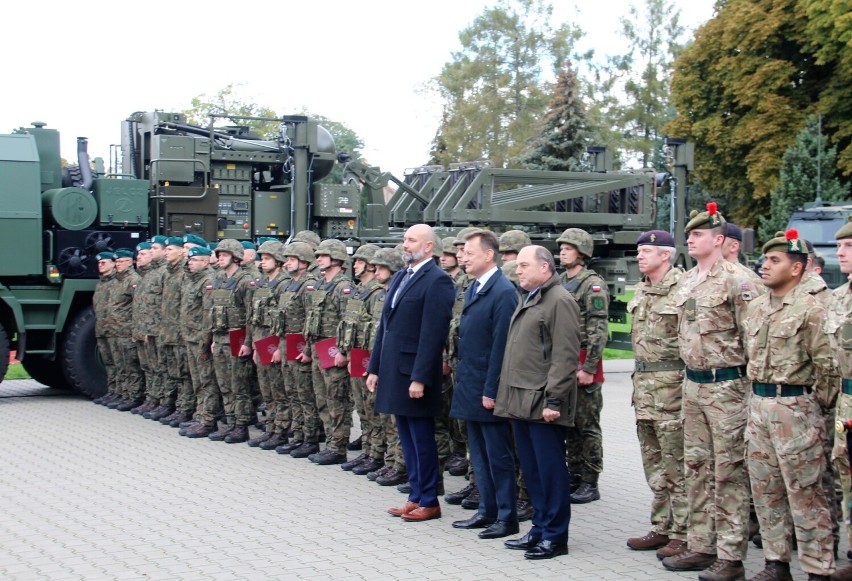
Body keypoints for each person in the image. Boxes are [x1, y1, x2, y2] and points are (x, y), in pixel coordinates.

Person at [664, 203, 764, 580]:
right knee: (697, 467)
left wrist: (749, 392)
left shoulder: (740, 280)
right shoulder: (688, 280)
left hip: (728, 387)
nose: (690, 238)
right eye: (689, 234)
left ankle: (731, 556)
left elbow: (753, 340)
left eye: (699, 234)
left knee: (729, 472)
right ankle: (701, 544)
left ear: (720, 240)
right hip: (694, 385)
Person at [744, 229, 836, 581]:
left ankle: (817, 570)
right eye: (765, 259)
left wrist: (814, 409)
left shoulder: (811, 309)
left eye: (774, 260)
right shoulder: (756, 307)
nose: (764, 266)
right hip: (759, 406)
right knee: (765, 492)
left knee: (806, 496)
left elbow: (827, 367)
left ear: (796, 269)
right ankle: (775, 563)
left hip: (795, 407)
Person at [495, 245, 579, 560]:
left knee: (551, 472)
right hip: (521, 400)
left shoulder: (560, 300)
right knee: (532, 472)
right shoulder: (530, 297)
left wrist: (554, 399)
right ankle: (540, 529)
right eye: (518, 266)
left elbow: (565, 356)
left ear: (545, 267)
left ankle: (556, 537)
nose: (519, 270)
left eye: (524, 265)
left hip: (544, 402)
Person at [367, 224, 454, 522]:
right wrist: (374, 367)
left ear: (429, 246)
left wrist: (420, 377)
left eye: (412, 240)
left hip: (414, 373)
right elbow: (385, 326)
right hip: (394, 370)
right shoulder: (403, 276)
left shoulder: (438, 281)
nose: (405, 244)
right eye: (404, 239)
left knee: (421, 438)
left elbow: (433, 335)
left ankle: (429, 500)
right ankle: (415, 495)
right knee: (406, 437)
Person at [450, 229, 519, 539]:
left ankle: (507, 516)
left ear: (489, 255)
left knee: (498, 456)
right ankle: (486, 510)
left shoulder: (503, 291)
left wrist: (492, 390)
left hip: (486, 390)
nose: (462, 257)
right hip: (470, 385)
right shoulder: (475, 287)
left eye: (468, 252)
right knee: (477, 453)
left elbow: (501, 346)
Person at [625, 230, 688, 560]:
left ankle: (684, 532)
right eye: (639, 251)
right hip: (645, 392)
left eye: (646, 251)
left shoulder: (684, 289)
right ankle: (662, 526)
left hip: (672, 392)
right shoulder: (642, 289)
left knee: (676, 465)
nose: (639, 256)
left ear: (666, 255)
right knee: (654, 465)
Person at [557, 227, 609, 503]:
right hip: (564, 360)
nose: (562, 250)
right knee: (569, 422)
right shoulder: (561, 280)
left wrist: (589, 368)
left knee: (587, 424)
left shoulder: (593, 284)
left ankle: (590, 480)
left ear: (582, 252)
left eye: (568, 247)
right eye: (561, 246)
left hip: (584, 359)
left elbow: (599, 328)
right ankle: (573, 474)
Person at [301, 238, 354, 465]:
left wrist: (344, 351)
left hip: (333, 348)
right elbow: (311, 320)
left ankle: (338, 446)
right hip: (318, 347)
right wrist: (308, 348)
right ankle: (330, 441)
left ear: (336, 259)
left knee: (336, 399)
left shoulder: (344, 287)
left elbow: (349, 322)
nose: (319, 259)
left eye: (323, 255)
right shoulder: (321, 285)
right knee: (322, 398)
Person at [208, 239, 255, 444]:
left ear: (235, 257)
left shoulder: (245, 281)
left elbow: (251, 315)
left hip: (237, 337)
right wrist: (212, 339)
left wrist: (248, 342)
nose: (220, 258)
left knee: (239, 385)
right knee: (225, 385)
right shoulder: (219, 279)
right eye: (219, 255)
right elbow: (215, 310)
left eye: (225, 255)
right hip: (220, 337)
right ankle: (230, 421)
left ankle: (241, 425)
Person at [827, 217, 852, 581]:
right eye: (840, 246)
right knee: (846, 479)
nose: (841, 252)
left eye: (849, 246)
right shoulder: (839, 297)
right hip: (845, 400)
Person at [179, 245, 218, 438]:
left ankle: (208, 419)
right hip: (190, 337)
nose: (190, 263)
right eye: (189, 260)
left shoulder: (208, 281)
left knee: (206, 381)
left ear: (204, 261)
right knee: (197, 380)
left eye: (194, 260)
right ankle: (199, 415)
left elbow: (208, 315)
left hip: (200, 339)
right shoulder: (191, 280)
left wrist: (205, 342)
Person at [130, 242, 168, 416]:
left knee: (162, 368)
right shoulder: (146, 275)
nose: (142, 256)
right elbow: (142, 307)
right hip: (147, 329)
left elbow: (165, 305)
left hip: (159, 330)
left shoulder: (163, 273)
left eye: (153, 249)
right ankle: (152, 399)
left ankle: (164, 402)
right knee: (149, 367)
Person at [107, 248, 144, 411]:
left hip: (126, 329)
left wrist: (135, 329)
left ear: (130, 262)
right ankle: (123, 393)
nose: (117, 264)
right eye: (116, 262)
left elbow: (138, 306)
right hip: (115, 330)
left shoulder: (133, 280)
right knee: (120, 364)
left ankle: (134, 395)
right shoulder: (117, 280)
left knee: (131, 365)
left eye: (121, 261)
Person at [92, 252, 119, 405]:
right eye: (99, 263)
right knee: (109, 362)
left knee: (121, 364)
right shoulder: (101, 283)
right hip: (102, 328)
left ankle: (125, 393)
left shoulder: (117, 281)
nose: (100, 265)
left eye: (104, 263)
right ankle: (114, 391)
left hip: (116, 328)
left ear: (113, 264)